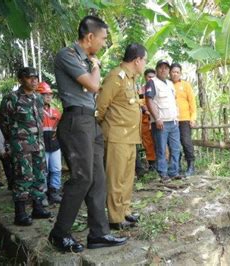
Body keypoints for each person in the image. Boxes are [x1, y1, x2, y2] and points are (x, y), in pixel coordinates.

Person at [49, 15, 127, 253]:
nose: (104, 43)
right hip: (76, 121)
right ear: (90, 36)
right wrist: (95, 66)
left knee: (98, 179)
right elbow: (94, 86)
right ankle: (59, 234)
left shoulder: (85, 59)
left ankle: (99, 234)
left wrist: (92, 65)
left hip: (90, 121)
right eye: (103, 38)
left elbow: (93, 87)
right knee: (82, 177)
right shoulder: (68, 55)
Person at [96, 43, 147, 230]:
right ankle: (115, 218)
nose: (145, 64)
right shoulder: (115, 77)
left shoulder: (131, 78)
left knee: (127, 178)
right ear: (137, 60)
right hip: (117, 136)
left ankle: (124, 211)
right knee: (115, 179)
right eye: (145, 60)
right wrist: (106, 127)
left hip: (130, 137)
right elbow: (100, 106)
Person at [0, 67, 52, 226]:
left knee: (39, 174)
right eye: (29, 78)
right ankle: (20, 214)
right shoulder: (12, 98)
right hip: (21, 145)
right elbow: (4, 122)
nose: (34, 80)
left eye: (36, 77)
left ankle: (38, 207)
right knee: (23, 176)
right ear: (21, 80)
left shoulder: (38, 98)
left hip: (38, 144)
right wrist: (14, 140)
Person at [145, 60, 181, 182]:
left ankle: (174, 172)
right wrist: (157, 118)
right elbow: (149, 101)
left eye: (166, 68)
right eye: (161, 67)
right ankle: (163, 174)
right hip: (161, 122)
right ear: (156, 69)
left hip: (173, 121)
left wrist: (177, 117)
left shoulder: (170, 84)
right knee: (161, 149)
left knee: (175, 148)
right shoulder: (152, 82)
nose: (163, 70)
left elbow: (173, 101)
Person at [36, 81, 62, 204]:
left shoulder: (56, 112)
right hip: (41, 146)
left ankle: (54, 192)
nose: (48, 96)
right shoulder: (34, 110)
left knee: (56, 169)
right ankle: (43, 194)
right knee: (43, 170)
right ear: (38, 95)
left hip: (55, 145)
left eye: (50, 94)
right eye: (45, 94)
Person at [170, 63, 197, 176]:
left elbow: (192, 102)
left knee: (186, 142)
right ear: (170, 73)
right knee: (173, 144)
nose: (175, 74)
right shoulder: (167, 85)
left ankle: (191, 165)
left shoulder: (186, 85)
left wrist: (193, 118)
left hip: (185, 119)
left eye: (177, 72)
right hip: (171, 119)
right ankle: (177, 166)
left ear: (180, 73)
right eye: (173, 72)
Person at [140, 69, 157, 170]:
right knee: (147, 141)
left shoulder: (158, 88)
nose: (151, 79)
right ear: (145, 77)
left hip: (157, 118)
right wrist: (147, 111)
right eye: (149, 77)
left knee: (159, 140)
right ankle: (151, 163)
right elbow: (141, 102)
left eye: (153, 77)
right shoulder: (141, 90)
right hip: (146, 119)